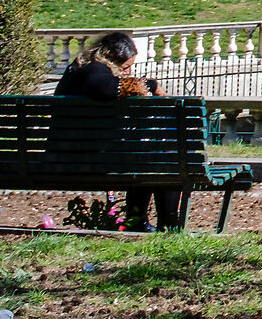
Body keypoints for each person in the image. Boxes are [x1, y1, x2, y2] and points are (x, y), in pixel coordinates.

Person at [53, 32, 179, 232]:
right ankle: (168, 226)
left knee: (147, 155)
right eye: (125, 67)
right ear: (110, 58)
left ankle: (139, 221)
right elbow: (107, 89)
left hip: (70, 152)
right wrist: (151, 85)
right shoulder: (92, 71)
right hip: (82, 158)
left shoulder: (77, 70)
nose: (126, 73)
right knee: (164, 160)